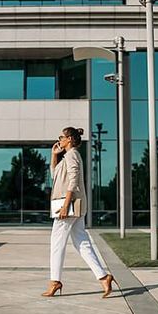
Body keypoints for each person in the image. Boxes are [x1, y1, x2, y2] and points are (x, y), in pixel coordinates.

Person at [42, 126, 116, 298]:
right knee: (82, 243)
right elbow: (55, 176)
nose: (59, 139)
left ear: (69, 139)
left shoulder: (72, 155)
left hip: (69, 205)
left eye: (61, 136)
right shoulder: (67, 156)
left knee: (56, 243)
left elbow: (74, 180)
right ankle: (104, 278)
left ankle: (55, 281)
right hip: (74, 206)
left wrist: (66, 205)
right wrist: (54, 155)